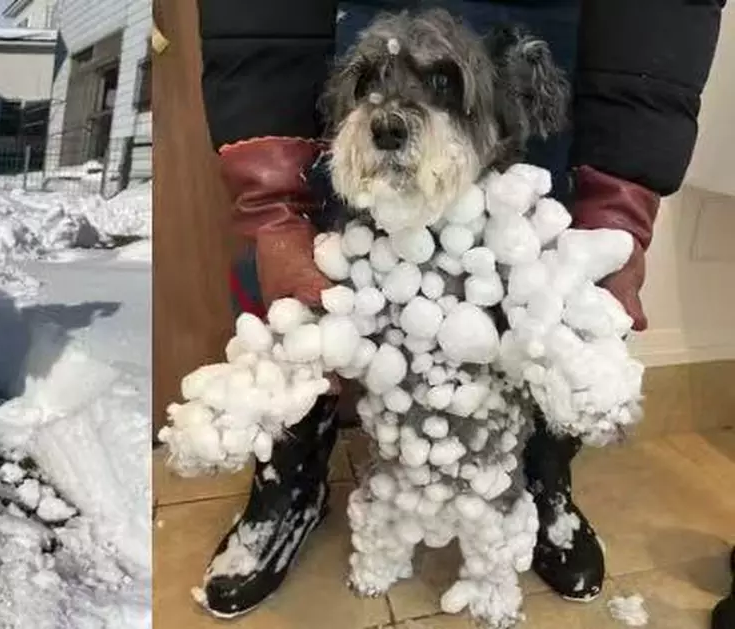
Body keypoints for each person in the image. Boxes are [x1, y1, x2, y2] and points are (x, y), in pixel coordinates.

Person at [195, 0, 725, 619]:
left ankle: (541, 477)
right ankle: (291, 479)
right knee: (313, 283)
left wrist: (620, 208)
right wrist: (274, 205)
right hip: (355, 15)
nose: (392, 114)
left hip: (551, 24)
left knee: (536, 289)